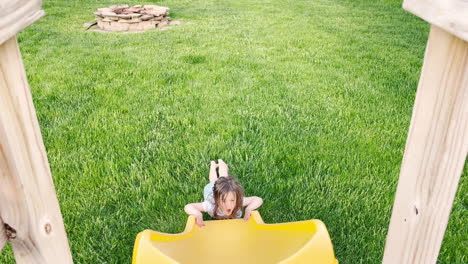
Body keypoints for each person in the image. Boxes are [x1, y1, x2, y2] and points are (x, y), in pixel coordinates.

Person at [184, 159, 263, 227]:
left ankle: (221, 162)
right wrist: (198, 214)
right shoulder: (211, 205)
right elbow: (188, 206)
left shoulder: (239, 201)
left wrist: (249, 209)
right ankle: (213, 165)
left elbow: (257, 199)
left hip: (224, 189)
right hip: (211, 189)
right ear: (216, 199)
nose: (229, 205)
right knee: (213, 180)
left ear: (236, 198)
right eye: (224, 200)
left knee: (224, 176)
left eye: (232, 200)